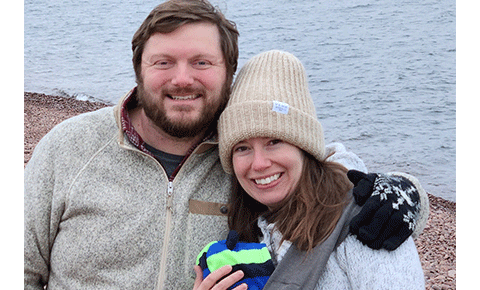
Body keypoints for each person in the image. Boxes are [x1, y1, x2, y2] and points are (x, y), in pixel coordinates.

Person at [24, 1, 428, 289]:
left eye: (202, 62)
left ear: (229, 73)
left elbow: (327, 169)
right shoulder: (69, 147)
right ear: (138, 69)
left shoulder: (244, 152)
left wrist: (409, 192)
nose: (182, 79)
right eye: (163, 62)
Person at [208, 49, 425, 289]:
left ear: (304, 147)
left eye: (274, 142)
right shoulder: (249, 228)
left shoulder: (367, 223)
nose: (259, 164)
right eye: (242, 148)